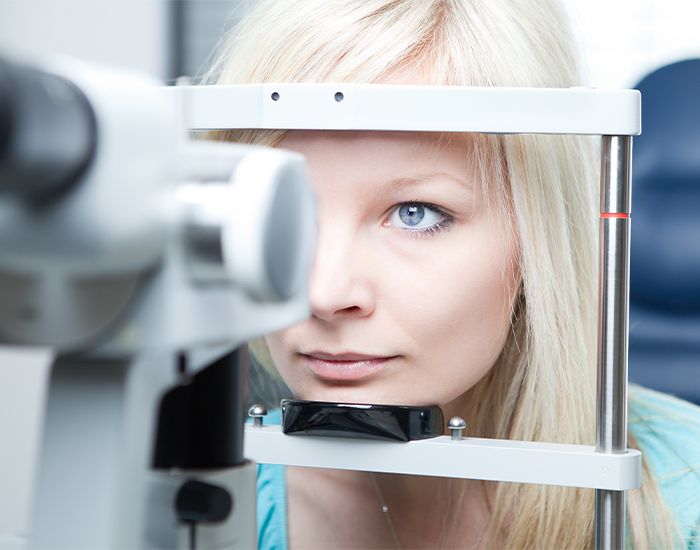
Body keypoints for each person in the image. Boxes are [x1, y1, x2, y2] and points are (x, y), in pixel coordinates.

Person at [205, 0, 700, 547]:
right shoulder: (201, 498)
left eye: (415, 214)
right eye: (287, 210)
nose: (325, 293)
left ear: (536, 239)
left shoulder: (686, 500)